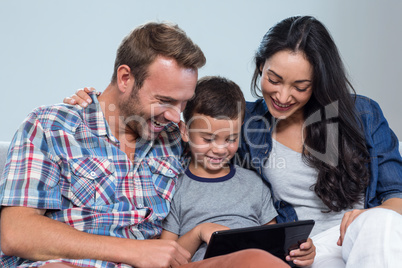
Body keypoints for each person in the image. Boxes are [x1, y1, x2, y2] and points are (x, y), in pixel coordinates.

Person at [0, 22, 284, 268]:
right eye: (165, 100)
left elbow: (222, 140)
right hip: (69, 262)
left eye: (183, 102)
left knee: (258, 262)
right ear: (125, 78)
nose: (175, 115)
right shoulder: (51, 125)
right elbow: (16, 232)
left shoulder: (174, 136)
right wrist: (135, 251)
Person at [236, 16, 402, 267]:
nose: (282, 96)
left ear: (319, 83)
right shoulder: (245, 122)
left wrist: (372, 215)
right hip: (306, 255)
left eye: (300, 87)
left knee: (382, 221)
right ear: (261, 66)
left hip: (367, 237)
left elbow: (396, 197)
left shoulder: (363, 114)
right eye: (274, 79)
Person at [159, 76, 315, 266]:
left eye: (230, 139)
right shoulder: (175, 188)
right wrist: (200, 232)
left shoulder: (254, 184)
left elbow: (274, 245)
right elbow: (166, 257)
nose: (220, 149)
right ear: (184, 132)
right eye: (208, 139)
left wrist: (299, 250)